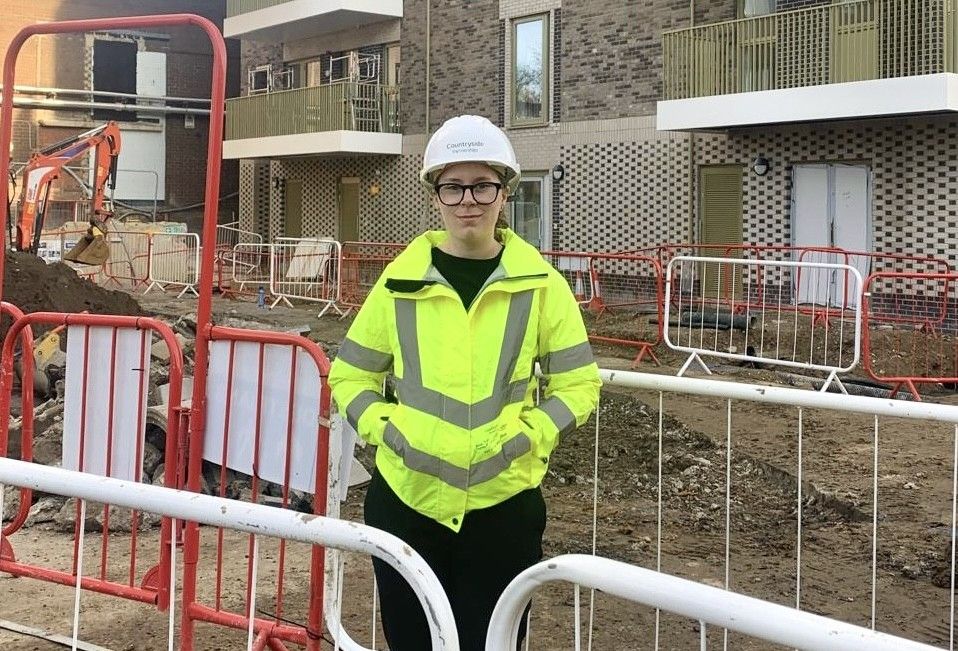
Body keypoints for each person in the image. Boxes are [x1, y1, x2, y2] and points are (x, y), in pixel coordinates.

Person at [328, 114, 601, 650]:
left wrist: (528, 437)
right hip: (407, 501)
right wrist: (388, 431)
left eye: (482, 185)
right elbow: (351, 374)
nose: (468, 200)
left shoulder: (542, 284)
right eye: (453, 186)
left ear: (505, 194)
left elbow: (579, 385)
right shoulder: (399, 282)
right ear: (435, 195)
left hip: (503, 506)